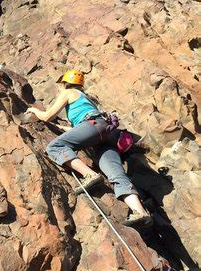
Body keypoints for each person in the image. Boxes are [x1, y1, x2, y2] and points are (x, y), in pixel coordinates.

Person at [26, 69, 152, 227]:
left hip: (93, 128)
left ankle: (90, 175)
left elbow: (47, 116)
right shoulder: (87, 100)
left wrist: (34, 110)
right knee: (115, 173)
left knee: (55, 146)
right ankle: (141, 212)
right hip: (104, 134)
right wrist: (58, 126)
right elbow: (81, 129)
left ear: (66, 83)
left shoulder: (68, 92)